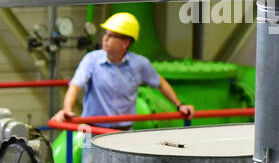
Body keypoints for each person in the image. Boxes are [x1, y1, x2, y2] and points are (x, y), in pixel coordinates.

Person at [53, 12, 194, 128]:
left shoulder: (139, 64)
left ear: (125, 43)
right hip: (92, 129)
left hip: (123, 131)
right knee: (90, 162)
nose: (105, 39)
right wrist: (67, 109)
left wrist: (179, 105)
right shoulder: (91, 60)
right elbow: (76, 84)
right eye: (105, 34)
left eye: (111, 35)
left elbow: (160, 83)